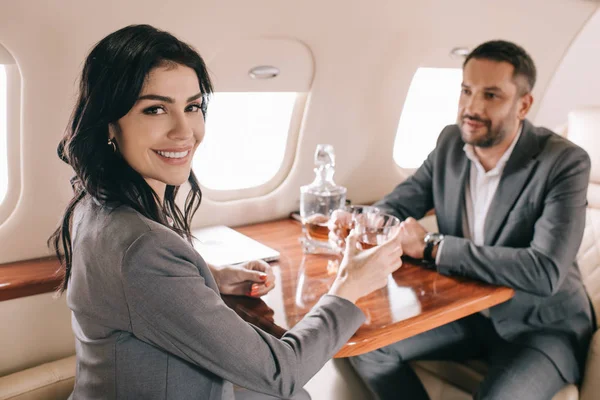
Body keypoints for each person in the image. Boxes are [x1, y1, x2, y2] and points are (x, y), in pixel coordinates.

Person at [49, 24, 403, 400]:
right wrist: (349, 285)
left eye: (193, 107)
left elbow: (133, 290)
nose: (185, 131)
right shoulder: (142, 248)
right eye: (155, 109)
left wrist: (208, 278)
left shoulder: (92, 204)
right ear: (110, 124)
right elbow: (282, 372)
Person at [330, 40, 595, 399]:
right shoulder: (451, 142)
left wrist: (431, 247)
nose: (471, 107)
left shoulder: (563, 162)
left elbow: (544, 270)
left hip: (541, 326)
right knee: (365, 348)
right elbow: (399, 203)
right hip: (467, 313)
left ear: (523, 105)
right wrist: (359, 219)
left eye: (491, 95)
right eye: (467, 91)